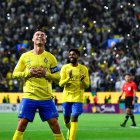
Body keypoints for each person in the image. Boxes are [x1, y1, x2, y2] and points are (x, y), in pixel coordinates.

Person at [12, 30, 65, 140]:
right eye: (37, 35)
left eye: (42, 35)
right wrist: (28, 73)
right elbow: (15, 74)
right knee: (22, 123)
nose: (40, 36)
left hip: (46, 97)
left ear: (45, 40)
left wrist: (47, 74)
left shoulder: (51, 57)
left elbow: (58, 78)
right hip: (29, 96)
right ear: (33, 39)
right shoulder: (25, 56)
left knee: (55, 124)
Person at [59, 48, 90, 140]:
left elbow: (87, 85)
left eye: (73, 54)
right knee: (66, 119)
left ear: (78, 56)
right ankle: (70, 129)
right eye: (70, 54)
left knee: (74, 116)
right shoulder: (65, 68)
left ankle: (71, 138)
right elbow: (61, 84)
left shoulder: (83, 69)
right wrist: (68, 77)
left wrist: (82, 80)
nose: (71, 56)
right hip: (66, 97)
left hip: (78, 97)